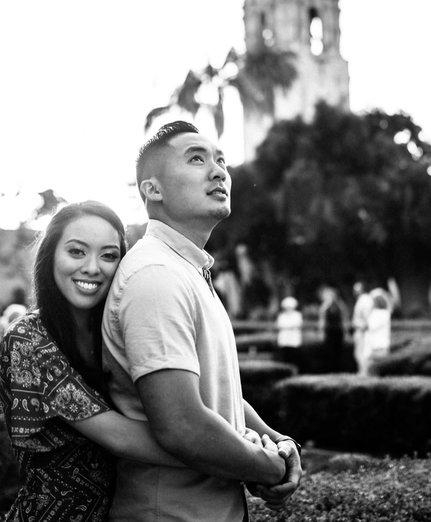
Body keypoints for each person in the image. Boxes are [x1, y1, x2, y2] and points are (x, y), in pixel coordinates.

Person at [102, 121, 302, 520]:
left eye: (221, 160)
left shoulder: (186, 270)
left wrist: (275, 439)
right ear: (152, 190)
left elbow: (212, 391)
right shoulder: (154, 275)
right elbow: (182, 425)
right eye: (197, 159)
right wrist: (268, 467)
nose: (219, 171)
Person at [0, 201, 208, 521]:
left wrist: (268, 437)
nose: (93, 267)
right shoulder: (27, 341)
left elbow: (201, 389)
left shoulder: (118, 330)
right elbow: (120, 437)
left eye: (109, 255)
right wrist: (240, 459)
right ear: (51, 256)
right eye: (77, 252)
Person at [317, 285, 346, 373]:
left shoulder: (339, 304)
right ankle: (329, 370)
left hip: (338, 332)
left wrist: (345, 332)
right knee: (329, 353)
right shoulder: (325, 306)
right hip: (329, 332)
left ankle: (337, 370)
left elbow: (344, 318)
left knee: (338, 353)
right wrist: (321, 332)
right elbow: (321, 319)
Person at [351, 282, 373, 375]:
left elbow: (366, 318)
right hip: (360, 330)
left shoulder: (365, 300)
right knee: (359, 353)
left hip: (362, 331)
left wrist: (362, 327)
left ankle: (364, 372)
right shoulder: (362, 300)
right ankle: (363, 371)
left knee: (360, 353)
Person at [275, 296, 303, 369]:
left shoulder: (297, 315)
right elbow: (279, 325)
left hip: (294, 342)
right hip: (284, 341)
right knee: (284, 359)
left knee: (294, 359)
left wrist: (287, 327)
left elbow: (296, 325)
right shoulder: (282, 316)